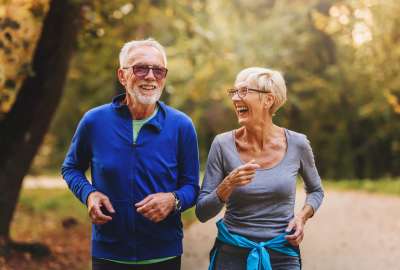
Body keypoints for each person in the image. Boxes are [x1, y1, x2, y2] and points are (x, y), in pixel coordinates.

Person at [61, 38, 199, 270]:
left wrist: (173, 200)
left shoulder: (181, 125)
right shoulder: (94, 121)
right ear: (122, 76)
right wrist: (89, 195)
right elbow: (71, 168)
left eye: (158, 70)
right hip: (109, 254)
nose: (150, 76)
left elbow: (192, 187)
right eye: (141, 68)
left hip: (163, 255)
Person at [195, 67, 324, 270]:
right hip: (231, 254)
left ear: (268, 100)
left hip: (282, 254)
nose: (236, 98)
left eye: (244, 91)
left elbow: (316, 190)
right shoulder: (222, 144)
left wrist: (301, 218)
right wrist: (226, 186)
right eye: (234, 92)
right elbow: (202, 212)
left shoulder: (298, 144)